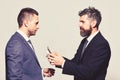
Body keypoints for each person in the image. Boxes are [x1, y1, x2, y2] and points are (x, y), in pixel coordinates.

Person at [47, 7, 111, 80]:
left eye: (83, 22)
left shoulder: (102, 45)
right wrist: (59, 59)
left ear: (93, 23)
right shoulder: (84, 41)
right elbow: (76, 64)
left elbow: (89, 72)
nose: (79, 25)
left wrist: (63, 63)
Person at [5, 7, 55, 80]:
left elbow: (24, 71)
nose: (38, 27)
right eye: (36, 23)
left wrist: (40, 72)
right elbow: (14, 77)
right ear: (26, 23)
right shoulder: (16, 44)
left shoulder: (23, 41)